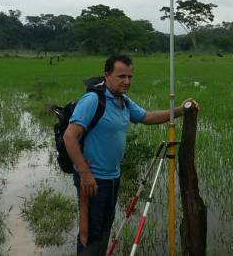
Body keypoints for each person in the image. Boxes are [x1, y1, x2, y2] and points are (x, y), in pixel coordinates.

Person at [63, 54, 197, 256]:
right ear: (107, 75)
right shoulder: (93, 100)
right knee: (89, 233)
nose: (126, 81)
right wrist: (85, 174)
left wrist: (180, 110)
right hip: (93, 179)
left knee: (105, 227)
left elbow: (147, 117)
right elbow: (69, 137)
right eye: (121, 76)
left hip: (112, 177)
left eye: (130, 77)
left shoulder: (123, 101)